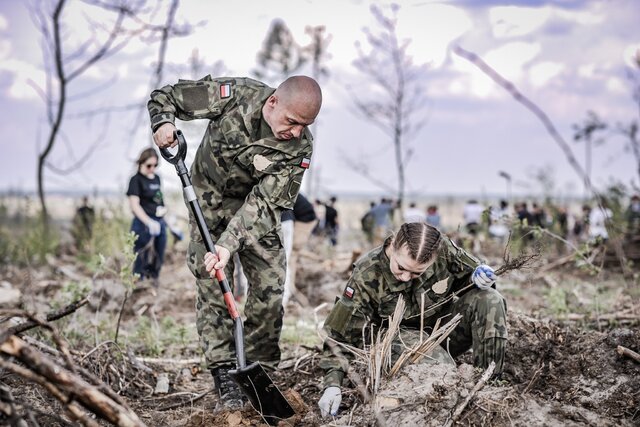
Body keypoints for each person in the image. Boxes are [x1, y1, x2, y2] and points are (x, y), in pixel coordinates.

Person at [148, 75, 322, 410]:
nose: (297, 132)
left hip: (256, 218)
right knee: (213, 286)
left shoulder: (299, 147)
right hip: (208, 208)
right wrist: (163, 122)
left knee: (270, 291)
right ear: (273, 102)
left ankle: (261, 372)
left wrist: (228, 245)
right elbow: (166, 96)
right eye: (292, 121)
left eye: (305, 125)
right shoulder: (234, 96)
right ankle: (224, 371)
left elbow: (266, 204)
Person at [317, 222, 506, 418]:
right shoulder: (367, 274)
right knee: (442, 374)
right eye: (401, 268)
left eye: (417, 273)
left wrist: (481, 279)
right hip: (397, 343)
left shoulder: (445, 251)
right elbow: (339, 336)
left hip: (442, 330)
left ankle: (489, 386)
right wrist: (332, 385)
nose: (406, 277)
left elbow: (471, 283)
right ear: (393, 246)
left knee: (490, 300)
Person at [126, 148, 167, 287]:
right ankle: (138, 286)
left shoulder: (157, 178)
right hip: (142, 224)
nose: (152, 169)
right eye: (149, 165)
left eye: (155, 166)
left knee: (158, 256)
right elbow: (134, 205)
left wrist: (166, 218)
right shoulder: (135, 180)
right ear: (141, 163)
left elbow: (159, 199)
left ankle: (153, 284)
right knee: (140, 258)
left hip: (159, 222)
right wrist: (148, 221)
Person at [282, 193, 318, 305]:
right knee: (287, 259)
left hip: (293, 222)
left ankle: (285, 296)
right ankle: (286, 294)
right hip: (290, 220)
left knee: (286, 259)